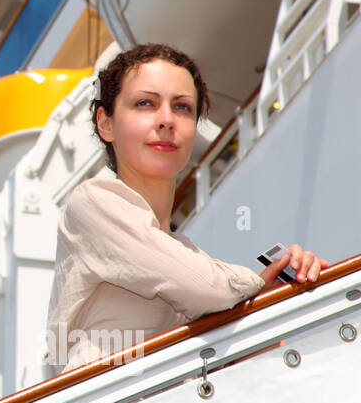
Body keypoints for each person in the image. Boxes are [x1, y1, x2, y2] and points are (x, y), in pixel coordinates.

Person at [44, 43, 327, 371]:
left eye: (182, 107)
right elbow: (208, 288)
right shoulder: (93, 203)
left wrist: (275, 289)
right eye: (145, 103)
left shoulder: (184, 254)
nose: (166, 120)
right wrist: (257, 283)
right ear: (106, 123)